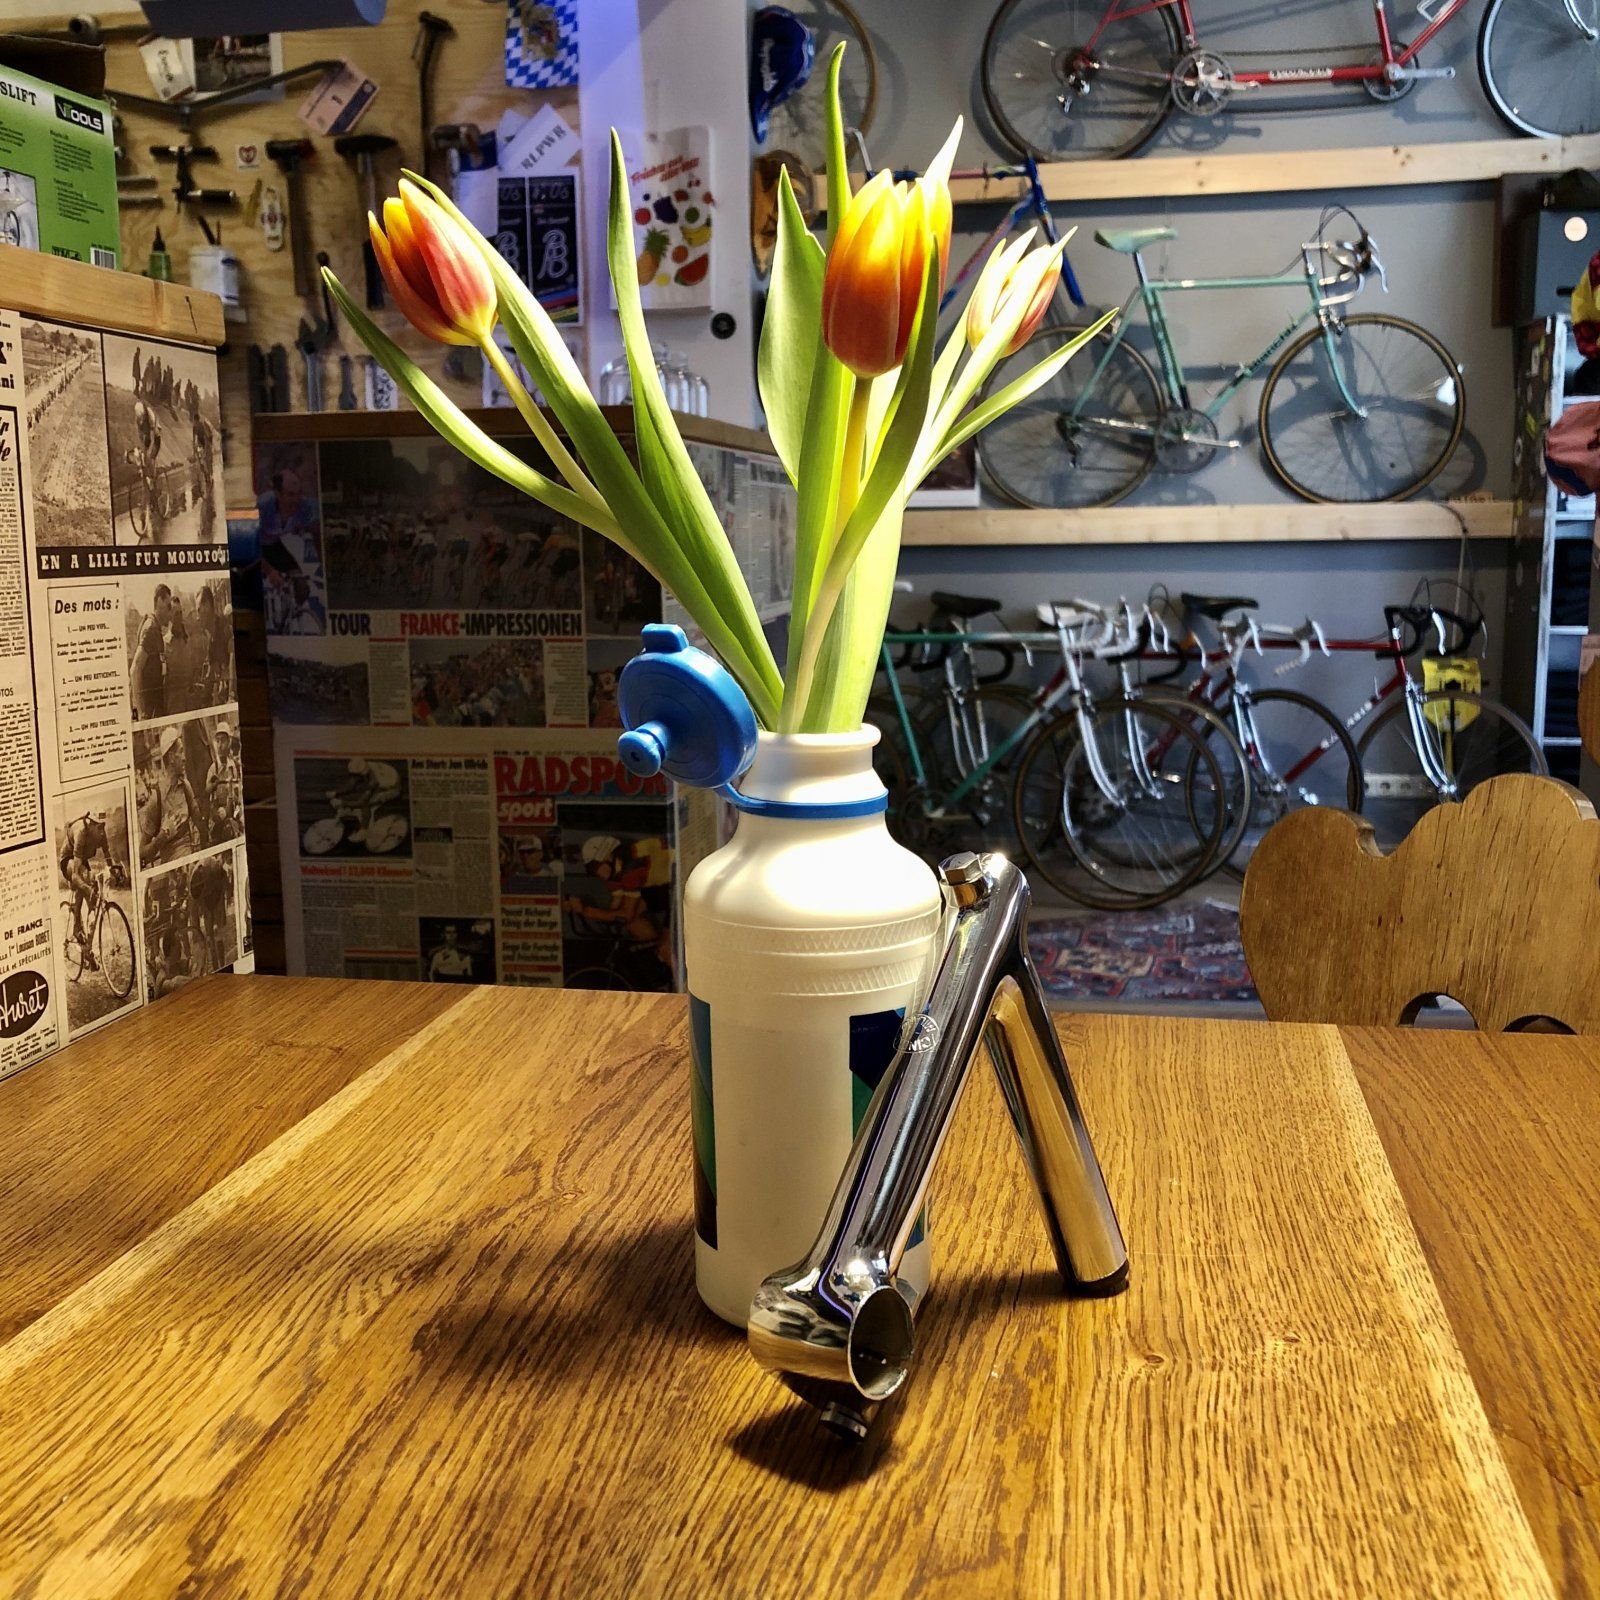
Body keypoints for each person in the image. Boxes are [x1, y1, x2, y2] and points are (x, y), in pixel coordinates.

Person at [59, 809, 111, 968]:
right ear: (91, 824)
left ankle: (87, 949)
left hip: (83, 860)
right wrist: (88, 889)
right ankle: (77, 929)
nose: (102, 831)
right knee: (84, 883)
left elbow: (107, 853)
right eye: (99, 827)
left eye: (104, 826)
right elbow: (75, 875)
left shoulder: (100, 832)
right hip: (69, 860)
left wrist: (114, 869)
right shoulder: (81, 832)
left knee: (93, 903)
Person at [331, 756, 402, 845]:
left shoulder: (374, 780)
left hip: (391, 789)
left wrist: (343, 803)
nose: (354, 777)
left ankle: (364, 831)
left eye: (357, 776)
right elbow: (352, 783)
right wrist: (336, 792)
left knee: (367, 804)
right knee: (359, 793)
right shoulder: (364, 765)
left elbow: (362, 802)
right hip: (385, 778)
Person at [131, 584, 171, 721]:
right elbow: (135, 669)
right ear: (159, 601)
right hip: (150, 712)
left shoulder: (155, 628)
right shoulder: (151, 629)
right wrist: (141, 713)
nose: (170, 613)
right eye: (168, 606)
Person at [187, 854, 230, 972]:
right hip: (207, 904)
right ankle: (216, 968)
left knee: (217, 933)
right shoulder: (193, 885)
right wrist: (197, 932)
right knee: (210, 937)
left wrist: (225, 895)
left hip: (216, 898)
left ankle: (222, 964)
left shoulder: (213, 866)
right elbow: (194, 911)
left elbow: (223, 882)